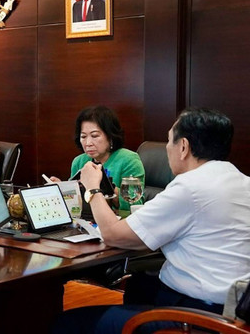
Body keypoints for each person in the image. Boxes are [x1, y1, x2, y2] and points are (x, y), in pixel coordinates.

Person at [53, 107, 250, 334]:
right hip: (233, 306)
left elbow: (115, 235)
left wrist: (94, 189)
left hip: (198, 314)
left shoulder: (190, 186)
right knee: (140, 285)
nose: (167, 149)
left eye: (168, 141)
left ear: (183, 147)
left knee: (68, 323)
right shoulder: (241, 181)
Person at [51, 106, 144, 211]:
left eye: (94, 136)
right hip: (87, 222)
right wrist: (62, 189)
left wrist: (107, 187)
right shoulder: (79, 161)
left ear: (110, 136)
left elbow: (133, 205)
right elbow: (75, 205)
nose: (88, 143)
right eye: (83, 137)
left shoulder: (129, 160)